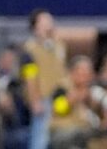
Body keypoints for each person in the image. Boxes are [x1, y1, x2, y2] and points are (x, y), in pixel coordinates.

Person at [21, 9, 69, 149]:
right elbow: (30, 77)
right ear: (36, 26)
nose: (50, 23)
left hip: (61, 97)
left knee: (61, 136)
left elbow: (62, 70)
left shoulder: (59, 46)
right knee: (40, 138)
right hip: (43, 98)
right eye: (45, 20)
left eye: (50, 20)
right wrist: (34, 100)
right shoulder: (30, 49)